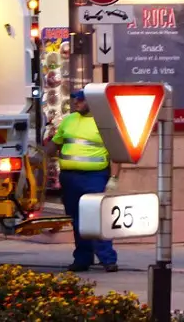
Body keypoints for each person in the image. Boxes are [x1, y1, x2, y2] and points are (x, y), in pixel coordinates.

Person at [44, 88, 120, 273]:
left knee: (96, 218)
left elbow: (116, 154)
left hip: (94, 177)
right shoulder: (69, 120)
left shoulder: (104, 122)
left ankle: (108, 259)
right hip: (70, 179)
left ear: (92, 102)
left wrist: (114, 179)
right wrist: (38, 156)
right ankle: (82, 259)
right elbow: (56, 144)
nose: (75, 103)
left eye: (79, 100)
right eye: (74, 100)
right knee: (77, 220)